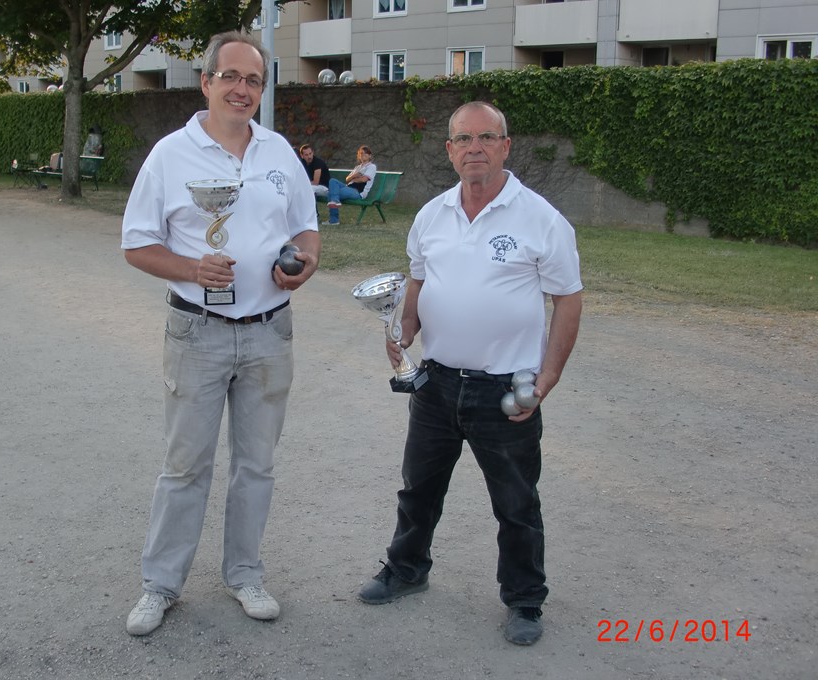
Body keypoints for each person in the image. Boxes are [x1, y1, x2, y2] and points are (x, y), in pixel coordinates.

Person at [356, 101, 583, 647]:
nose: (474, 148)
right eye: (463, 139)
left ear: (506, 146)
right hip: (435, 382)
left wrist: (546, 379)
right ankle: (407, 569)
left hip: (506, 389)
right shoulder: (431, 215)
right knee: (418, 488)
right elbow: (417, 283)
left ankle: (525, 599)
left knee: (515, 501)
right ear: (449, 149)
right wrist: (403, 332)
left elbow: (568, 301)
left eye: (486, 137)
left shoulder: (541, 219)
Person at [120, 30, 320, 637]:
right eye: (229, 76)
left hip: (267, 331)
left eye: (253, 80)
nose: (241, 89)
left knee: (256, 466)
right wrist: (192, 268)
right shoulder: (170, 155)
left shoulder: (279, 151)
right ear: (206, 82)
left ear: (262, 89)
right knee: (185, 467)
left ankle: (244, 574)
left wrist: (300, 267)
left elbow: (306, 231)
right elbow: (136, 244)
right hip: (197, 330)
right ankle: (161, 586)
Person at [325, 145, 376, 225]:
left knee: (330, 194)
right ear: (359, 156)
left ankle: (334, 220)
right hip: (349, 187)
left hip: (358, 192)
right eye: (361, 153)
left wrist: (354, 179)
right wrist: (354, 176)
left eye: (366, 153)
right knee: (332, 181)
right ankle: (335, 202)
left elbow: (364, 179)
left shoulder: (371, 167)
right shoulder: (358, 167)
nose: (363, 155)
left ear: (370, 156)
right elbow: (347, 179)